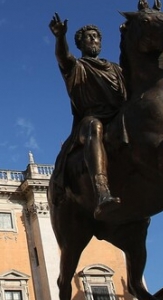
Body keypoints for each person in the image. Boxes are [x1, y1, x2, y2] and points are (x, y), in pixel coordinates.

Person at [49, 13, 127, 220]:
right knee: (95, 127)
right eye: (88, 37)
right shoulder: (77, 67)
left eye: (96, 37)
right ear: (80, 43)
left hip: (118, 117)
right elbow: (63, 57)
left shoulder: (116, 70)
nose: (94, 40)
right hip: (90, 120)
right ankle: (101, 189)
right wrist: (59, 37)